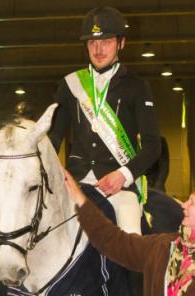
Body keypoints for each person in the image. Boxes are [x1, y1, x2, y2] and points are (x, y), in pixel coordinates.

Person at [49, 5, 161, 234]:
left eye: (107, 41)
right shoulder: (70, 85)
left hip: (118, 188)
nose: (98, 49)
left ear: (121, 43)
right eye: (92, 42)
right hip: (75, 183)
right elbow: (53, 138)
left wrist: (123, 175)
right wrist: (54, 171)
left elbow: (153, 146)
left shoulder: (137, 86)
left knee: (132, 241)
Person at [64, 169, 195, 296]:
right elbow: (119, 243)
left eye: (192, 203)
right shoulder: (165, 246)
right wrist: (81, 200)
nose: (184, 205)